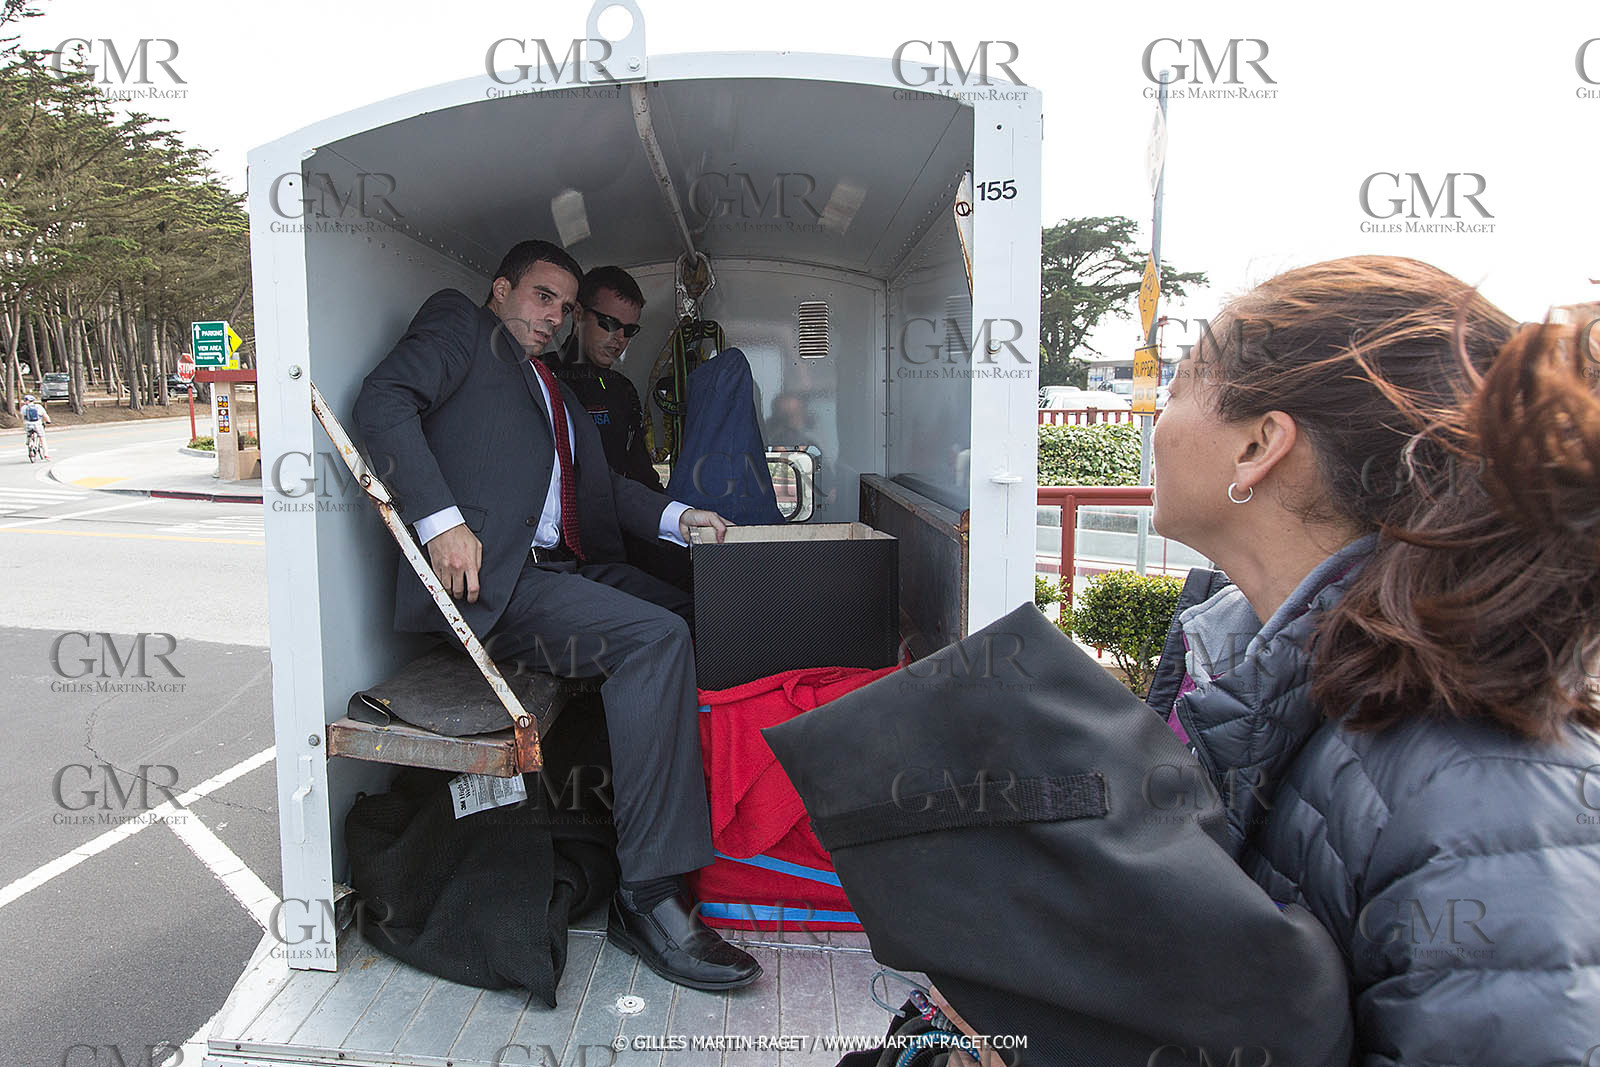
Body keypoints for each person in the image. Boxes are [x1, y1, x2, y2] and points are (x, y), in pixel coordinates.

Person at [1146, 256, 1600, 1063]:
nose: (1157, 414)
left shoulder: (1487, 796)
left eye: (1177, 384)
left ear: (1259, 444)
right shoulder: (1232, 658)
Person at [353, 240, 761, 992]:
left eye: (564, 308)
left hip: (564, 571)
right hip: (495, 583)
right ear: (501, 287)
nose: (553, 317)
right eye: (542, 297)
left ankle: (723, 827)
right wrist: (440, 520)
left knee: (708, 617)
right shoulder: (459, 328)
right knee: (654, 642)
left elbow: (606, 488)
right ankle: (649, 894)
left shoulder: (553, 390)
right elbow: (381, 402)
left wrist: (683, 518)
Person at [543, 265, 662, 491]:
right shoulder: (541, 375)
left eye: (629, 330)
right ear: (578, 315)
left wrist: (672, 516)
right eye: (610, 324)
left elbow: (640, 471)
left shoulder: (623, 389)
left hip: (616, 517)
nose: (619, 338)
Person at [20, 393, 50, 458]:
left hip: (28, 424)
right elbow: (45, 415)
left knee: (29, 434)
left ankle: (30, 443)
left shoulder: (23, 408)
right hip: (37, 424)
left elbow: (22, 417)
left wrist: (23, 423)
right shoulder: (38, 407)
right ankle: (46, 454)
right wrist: (48, 421)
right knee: (42, 437)